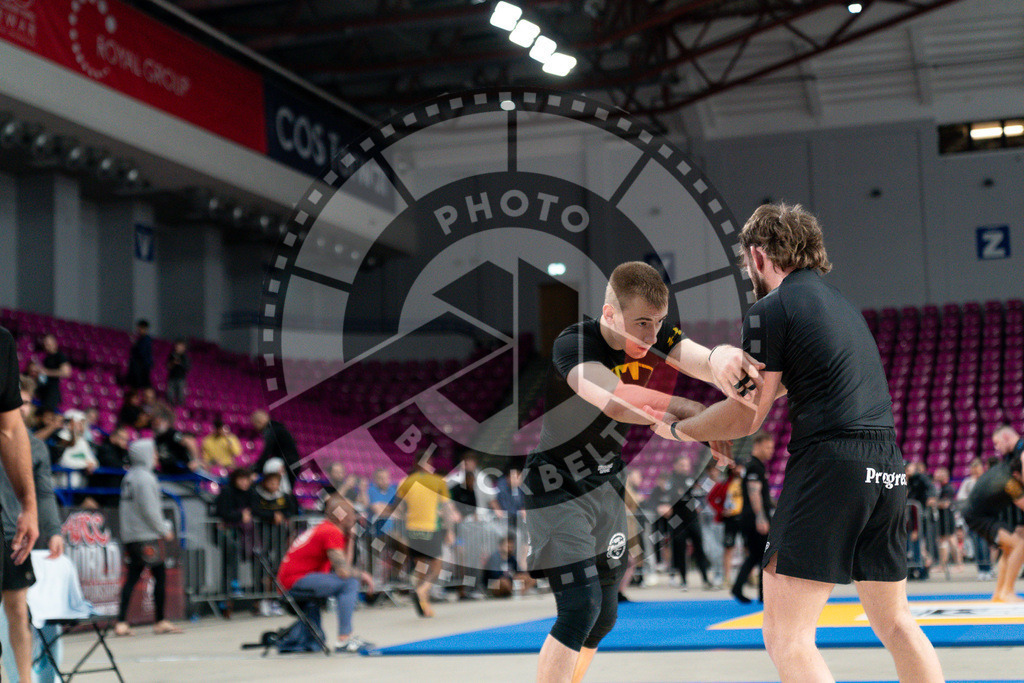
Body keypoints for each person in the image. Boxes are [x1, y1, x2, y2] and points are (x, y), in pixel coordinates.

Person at [650, 204, 943, 682]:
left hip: (831, 464)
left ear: (758, 255)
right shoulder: (842, 307)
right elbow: (765, 390)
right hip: (886, 465)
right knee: (895, 622)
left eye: (748, 262)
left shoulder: (770, 310)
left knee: (788, 637)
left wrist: (681, 429)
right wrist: (706, 416)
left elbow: (748, 417)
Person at [524, 260, 759, 683]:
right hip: (557, 484)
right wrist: (690, 409)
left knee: (604, 617)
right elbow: (613, 399)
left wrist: (732, 369)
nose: (652, 337)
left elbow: (703, 363)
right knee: (579, 608)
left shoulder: (654, 335)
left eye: (660, 323)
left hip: (606, 482)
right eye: (642, 324)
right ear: (610, 313)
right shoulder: (574, 343)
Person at [0, 376, 63, 681]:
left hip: (13, 534)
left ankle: (24, 680)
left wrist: (54, 531)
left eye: (25, 402)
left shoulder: (35, 447)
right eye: (17, 401)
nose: (21, 407)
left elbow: (45, 493)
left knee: (19, 612)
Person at [277, 494, 375, 652]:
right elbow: (344, 572)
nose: (356, 516)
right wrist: (363, 576)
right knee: (350, 583)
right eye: (352, 513)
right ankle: (344, 639)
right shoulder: (330, 531)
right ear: (341, 516)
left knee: (349, 581)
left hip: (295, 580)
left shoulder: (326, 528)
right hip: (295, 581)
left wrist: (351, 538)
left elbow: (345, 567)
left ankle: (345, 637)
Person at [115, 438, 181, 636]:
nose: (156, 456)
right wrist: (163, 529)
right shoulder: (145, 478)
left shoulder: (128, 477)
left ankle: (121, 622)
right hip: (147, 536)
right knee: (158, 576)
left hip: (133, 536)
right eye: (153, 452)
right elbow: (150, 509)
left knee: (133, 577)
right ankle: (159, 620)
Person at [383, 456, 456, 618]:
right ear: (429, 464)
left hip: (413, 530)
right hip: (431, 528)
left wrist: (403, 521)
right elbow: (447, 509)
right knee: (437, 564)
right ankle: (423, 590)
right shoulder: (438, 482)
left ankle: (425, 604)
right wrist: (450, 530)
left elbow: (397, 507)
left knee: (420, 566)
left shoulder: (406, 482)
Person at [961, 453, 1024, 602]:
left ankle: (999, 594)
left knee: (1009, 548)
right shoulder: (1010, 482)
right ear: (1017, 474)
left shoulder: (1004, 469)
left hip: (982, 515)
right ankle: (1007, 592)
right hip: (978, 517)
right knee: (1019, 545)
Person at [732, 432, 773, 603]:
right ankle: (763, 594)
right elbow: (754, 493)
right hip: (754, 518)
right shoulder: (754, 466)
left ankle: (742, 588)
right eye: (768, 447)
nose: (771, 451)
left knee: (757, 556)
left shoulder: (756, 466)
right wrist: (761, 518)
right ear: (757, 445)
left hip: (752, 517)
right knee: (764, 556)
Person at [667, 455, 713, 591]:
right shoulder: (671, 480)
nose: (685, 468)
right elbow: (672, 497)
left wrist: (699, 504)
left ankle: (705, 578)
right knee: (679, 549)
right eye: (682, 465)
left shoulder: (693, 478)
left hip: (692, 518)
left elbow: (702, 494)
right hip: (677, 520)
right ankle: (683, 579)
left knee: (699, 547)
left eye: (686, 465)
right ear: (676, 466)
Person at [214, 468, 256, 596]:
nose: (244, 482)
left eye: (247, 479)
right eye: (241, 479)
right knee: (230, 557)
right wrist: (240, 516)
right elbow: (222, 512)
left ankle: (244, 587)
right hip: (227, 531)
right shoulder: (227, 491)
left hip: (245, 533)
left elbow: (255, 509)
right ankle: (230, 587)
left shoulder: (251, 492)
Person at [708, 463, 744, 588]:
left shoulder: (746, 482)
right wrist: (720, 510)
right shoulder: (724, 484)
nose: (737, 470)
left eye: (739, 467)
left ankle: (748, 576)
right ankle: (727, 578)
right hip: (730, 520)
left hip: (744, 519)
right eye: (734, 468)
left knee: (747, 548)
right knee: (728, 548)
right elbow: (711, 498)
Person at [957, 458, 993, 580]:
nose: (975, 470)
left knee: (984, 544)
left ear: (982, 469)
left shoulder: (986, 480)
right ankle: (980, 569)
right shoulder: (968, 482)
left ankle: (988, 568)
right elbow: (961, 497)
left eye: (978, 468)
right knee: (976, 544)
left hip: (984, 518)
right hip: (972, 518)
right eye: (973, 468)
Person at [251, 411, 300, 490]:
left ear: (259, 421)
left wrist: (256, 470)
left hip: (285, 464)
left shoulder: (271, 430)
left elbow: (267, 451)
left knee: (284, 491)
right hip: (293, 462)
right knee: (289, 490)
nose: (255, 427)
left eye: (255, 424)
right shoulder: (279, 428)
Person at [932, 467, 962, 578]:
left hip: (948, 518)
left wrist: (934, 502)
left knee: (952, 540)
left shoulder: (948, 488)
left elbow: (945, 504)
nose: (936, 475)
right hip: (942, 518)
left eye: (938, 473)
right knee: (943, 541)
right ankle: (942, 565)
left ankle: (959, 564)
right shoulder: (941, 488)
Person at [152, 409, 199, 475]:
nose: (156, 426)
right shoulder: (157, 438)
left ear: (165, 423)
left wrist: (195, 461)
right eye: (155, 424)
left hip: (182, 471)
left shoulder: (173, 434)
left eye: (158, 424)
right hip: (167, 472)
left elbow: (190, 442)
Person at [35, 335, 70, 413]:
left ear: (55, 344)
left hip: (52, 392)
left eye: (49, 344)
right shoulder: (46, 357)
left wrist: (47, 372)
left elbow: (66, 372)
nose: (47, 346)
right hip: (44, 390)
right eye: (45, 344)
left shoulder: (60, 356)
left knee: (47, 413)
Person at [126, 320, 153, 390]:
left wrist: (136, 345)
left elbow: (142, 353)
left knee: (141, 384)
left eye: (141, 328)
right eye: (139, 328)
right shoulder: (140, 339)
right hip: (139, 366)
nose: (139, 330)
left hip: (142, 367)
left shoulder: (146, 340)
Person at [165, 339, 190, 406]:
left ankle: (180, 410)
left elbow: (187, 368)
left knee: (180, 396)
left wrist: (180, 363)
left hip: (181, 379)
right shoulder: (172, 355)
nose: (178, 347)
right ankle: (171, 408)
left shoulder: (185, 357)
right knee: (170, 395)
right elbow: (168, 366)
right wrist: (173, 362)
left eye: (180, 346)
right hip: (172, 378)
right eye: (177, 345)